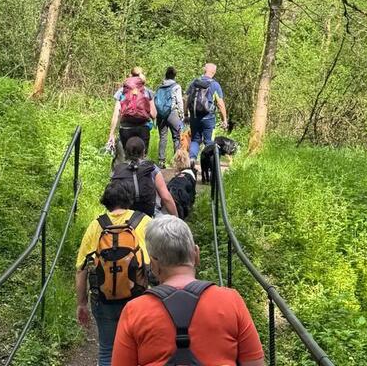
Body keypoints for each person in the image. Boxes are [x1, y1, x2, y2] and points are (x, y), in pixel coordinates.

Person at [111, 216, 264, 366]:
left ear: (154, 264)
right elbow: (255, 363)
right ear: (196, 254)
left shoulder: (134, 311)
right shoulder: (231, 301)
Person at [76, 181, 153, 366]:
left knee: (107, 350)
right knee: (139, 349)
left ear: (106, 201)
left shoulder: (96, 225)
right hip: (138, 297)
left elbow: (81, 268)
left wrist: (82, 303)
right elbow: (159, 260)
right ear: (129, 199)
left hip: (104, 298)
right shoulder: (144, 222)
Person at [111, 137, 178, 217]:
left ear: (126, 152)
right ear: (143, 152)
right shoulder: (151, 168)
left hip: (125, 216)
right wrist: (177, 218)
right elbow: (166, 198)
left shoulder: (118, 170)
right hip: (149, 215)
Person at [185, 63, 229, 169]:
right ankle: (209, 167)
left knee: (195, 140)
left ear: (205, 70)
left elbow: (186, 99)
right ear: (214, 72)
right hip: (208, 118)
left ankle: (192, 159)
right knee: (209, 142)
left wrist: (186, 113)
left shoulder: (194, 83)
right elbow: (220, 104)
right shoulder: (215, 85)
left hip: (194, 117)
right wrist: (225, 119)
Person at [108, 67, 156, 161]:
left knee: (127, 158)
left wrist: (112, 134)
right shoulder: (147, 91)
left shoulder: (122, 91)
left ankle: (128, 174)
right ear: (142, 76)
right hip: (143, 128)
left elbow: (116, 113)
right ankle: (141, 173)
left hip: (126, 128)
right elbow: (154, 114)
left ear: (130, 75)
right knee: (142, 158)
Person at [154, 66, 185, 168]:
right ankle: (176, 162)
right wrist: (182, 115)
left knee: (163, 137)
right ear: (174, 76)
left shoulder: (160, 87)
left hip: (161, 115)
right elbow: (179, 101)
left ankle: (161, 161)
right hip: (172, 114)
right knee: (176, 137)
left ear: (166, 75)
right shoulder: (176, 86)